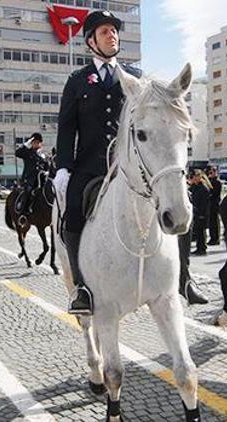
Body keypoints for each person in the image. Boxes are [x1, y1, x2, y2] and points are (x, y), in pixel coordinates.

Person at [53, 10, 142, 315]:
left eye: (114, 31)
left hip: (128, 165)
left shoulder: (135, 77)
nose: (112, 35)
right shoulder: (77, 81)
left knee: (167, 202)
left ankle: (181, 277)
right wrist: (63, 167)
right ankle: (81, 289)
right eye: (104, 31)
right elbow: (67, 128)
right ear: (91, 40)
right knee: (73, 215)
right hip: (89, 166)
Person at [15, 132, 49, 218]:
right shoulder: (27, 152)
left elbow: (46, 167)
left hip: (41, 181)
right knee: (28, 191)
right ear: (32, 143)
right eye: (35, 142)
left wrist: (47, 171)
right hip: (29, 180)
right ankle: (22, 214)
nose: (36, 144)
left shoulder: (42, 156)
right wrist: (26, 144)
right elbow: (17, 153)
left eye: (38, 142)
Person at [189, 170, 211, 255]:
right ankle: (199, 247)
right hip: (196, 212)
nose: (193, 178)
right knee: (198, 231)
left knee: (201, 232)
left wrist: (202, 214)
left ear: (199, 176)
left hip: (201, 213)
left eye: (195, 176)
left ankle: (202, 248)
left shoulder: (203, 188)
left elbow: (205, 203)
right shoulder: (195, 186)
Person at [207, 166, 222, 245]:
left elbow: (215, 193)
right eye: (209, 173)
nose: (210, 174)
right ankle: (212, 237)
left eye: (211, 173)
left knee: (215, 222)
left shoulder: (217, 182)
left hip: (215, 204)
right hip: (210, 204)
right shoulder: (210, 181)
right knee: (211, 222)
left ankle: (216, 238)